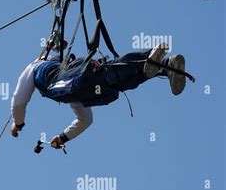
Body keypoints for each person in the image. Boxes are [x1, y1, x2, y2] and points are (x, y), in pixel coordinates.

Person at [10, 43, 187, 150]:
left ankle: (150, 58)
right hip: (86, 84)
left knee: (112, 77)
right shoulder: (73, 95)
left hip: (78, 81)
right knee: (117, 79)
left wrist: (18, 124)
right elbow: (85, 120)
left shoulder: (34, 68)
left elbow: (18, 101)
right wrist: (63, 137)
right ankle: (166, 66)